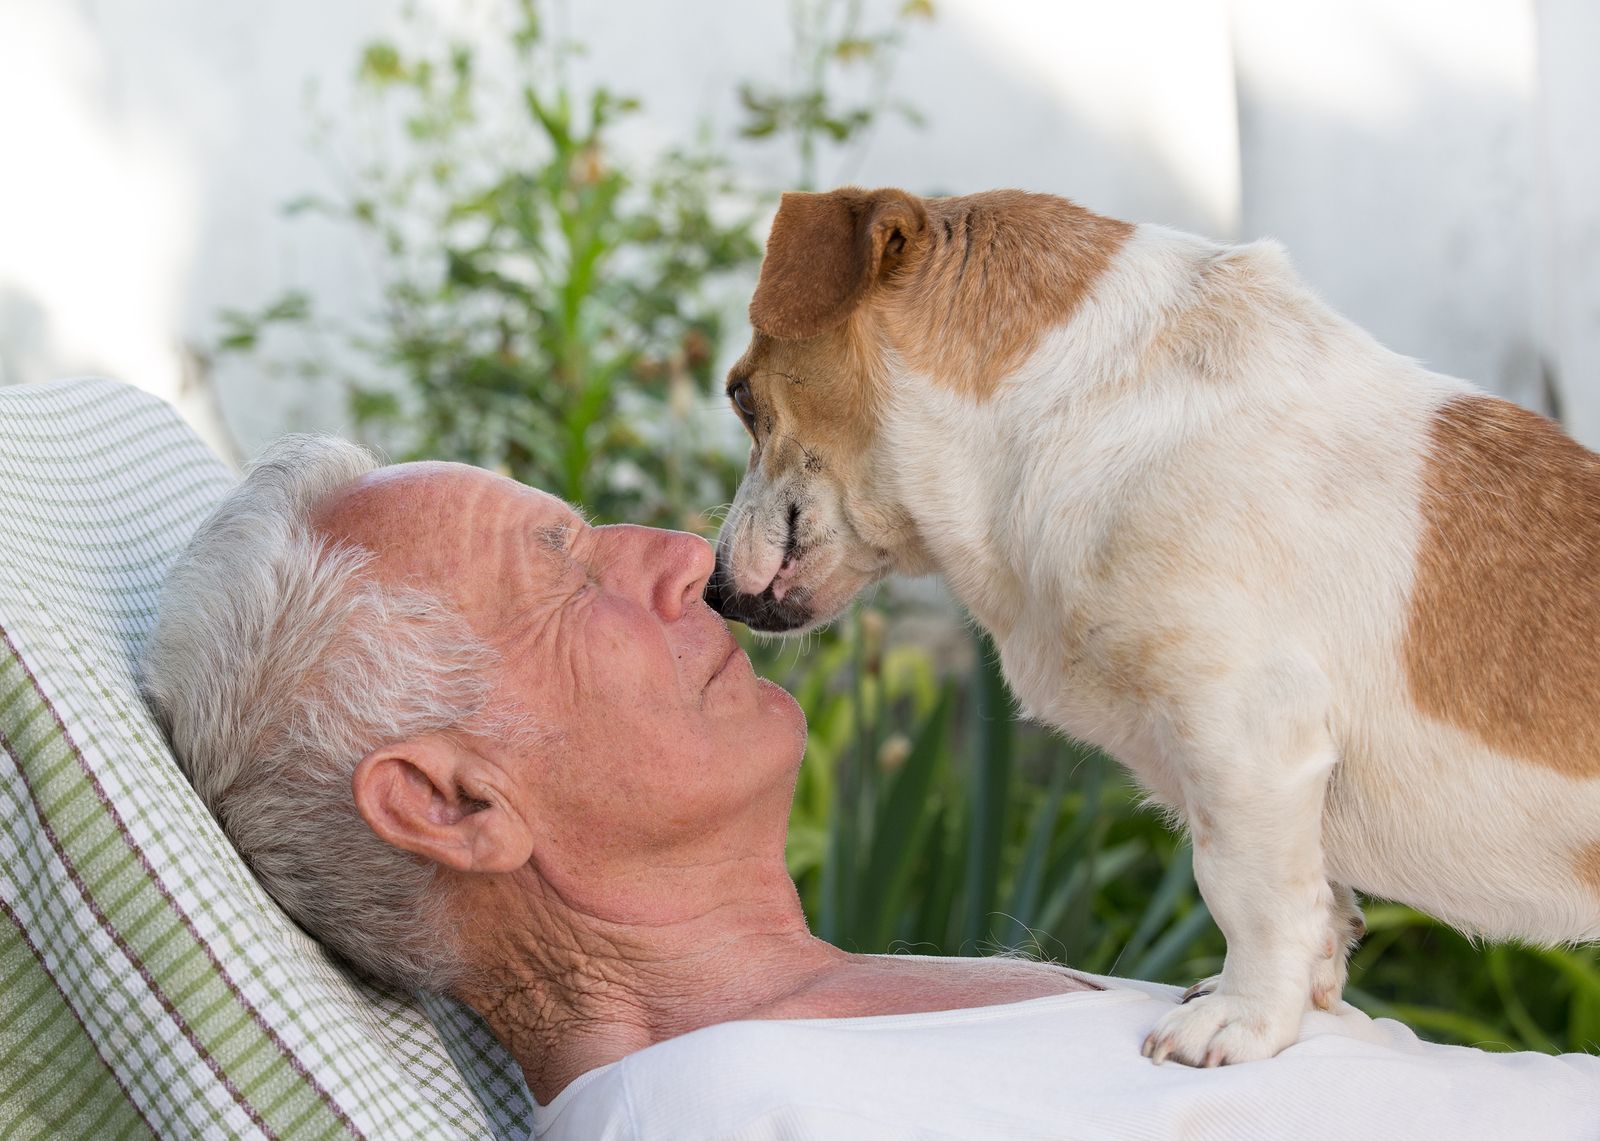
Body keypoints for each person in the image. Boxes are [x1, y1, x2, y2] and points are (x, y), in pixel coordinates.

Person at [139, 435, 1600, 1140]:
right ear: (455, 805)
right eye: (563, 568)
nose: (677, 554)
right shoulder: (724, 1117)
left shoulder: (833, 1030)